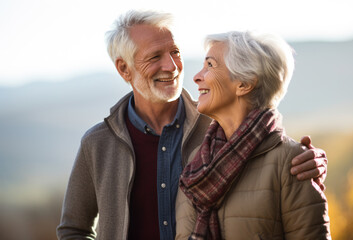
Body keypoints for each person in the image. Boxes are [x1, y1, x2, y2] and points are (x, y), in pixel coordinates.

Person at [56, 10, 328, 240]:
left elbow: (269, 150)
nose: (172, 66)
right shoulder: (98, 143)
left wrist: (309, 162)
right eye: (154, 57)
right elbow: (73, 229)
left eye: (175, 51)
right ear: (124, 69)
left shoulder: (220, 128)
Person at [176, 31, 331, 239]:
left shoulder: (293, 162)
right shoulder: (196, 163)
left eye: (210, 65)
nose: (196, 77)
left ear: (244, 84)